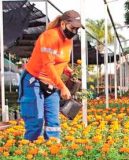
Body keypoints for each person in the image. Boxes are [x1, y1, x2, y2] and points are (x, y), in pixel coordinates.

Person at [18, 10, 84, 141]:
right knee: (35, 120)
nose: (74, 32)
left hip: (52, 83)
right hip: (34, 81)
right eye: (73, 28)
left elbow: (61, 61)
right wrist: (62, 86)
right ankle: (29, 149)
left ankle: (52, 149)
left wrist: (68, 71)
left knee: (53, 122)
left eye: (77, 29)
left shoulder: (68, 40)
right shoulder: (49, 36)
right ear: (63, 24)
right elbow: (48, 65)